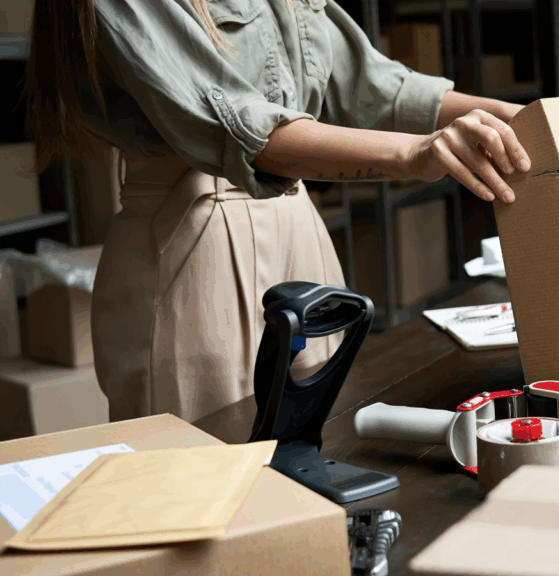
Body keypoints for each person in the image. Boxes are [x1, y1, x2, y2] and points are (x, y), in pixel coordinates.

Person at [24, 0, 531, 423]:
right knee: (217, 473)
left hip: (294, 215)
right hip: (198, 234)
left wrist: (523, 119)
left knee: (325, 445)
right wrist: (415, 153)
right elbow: (242, 128)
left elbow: (371, 85)